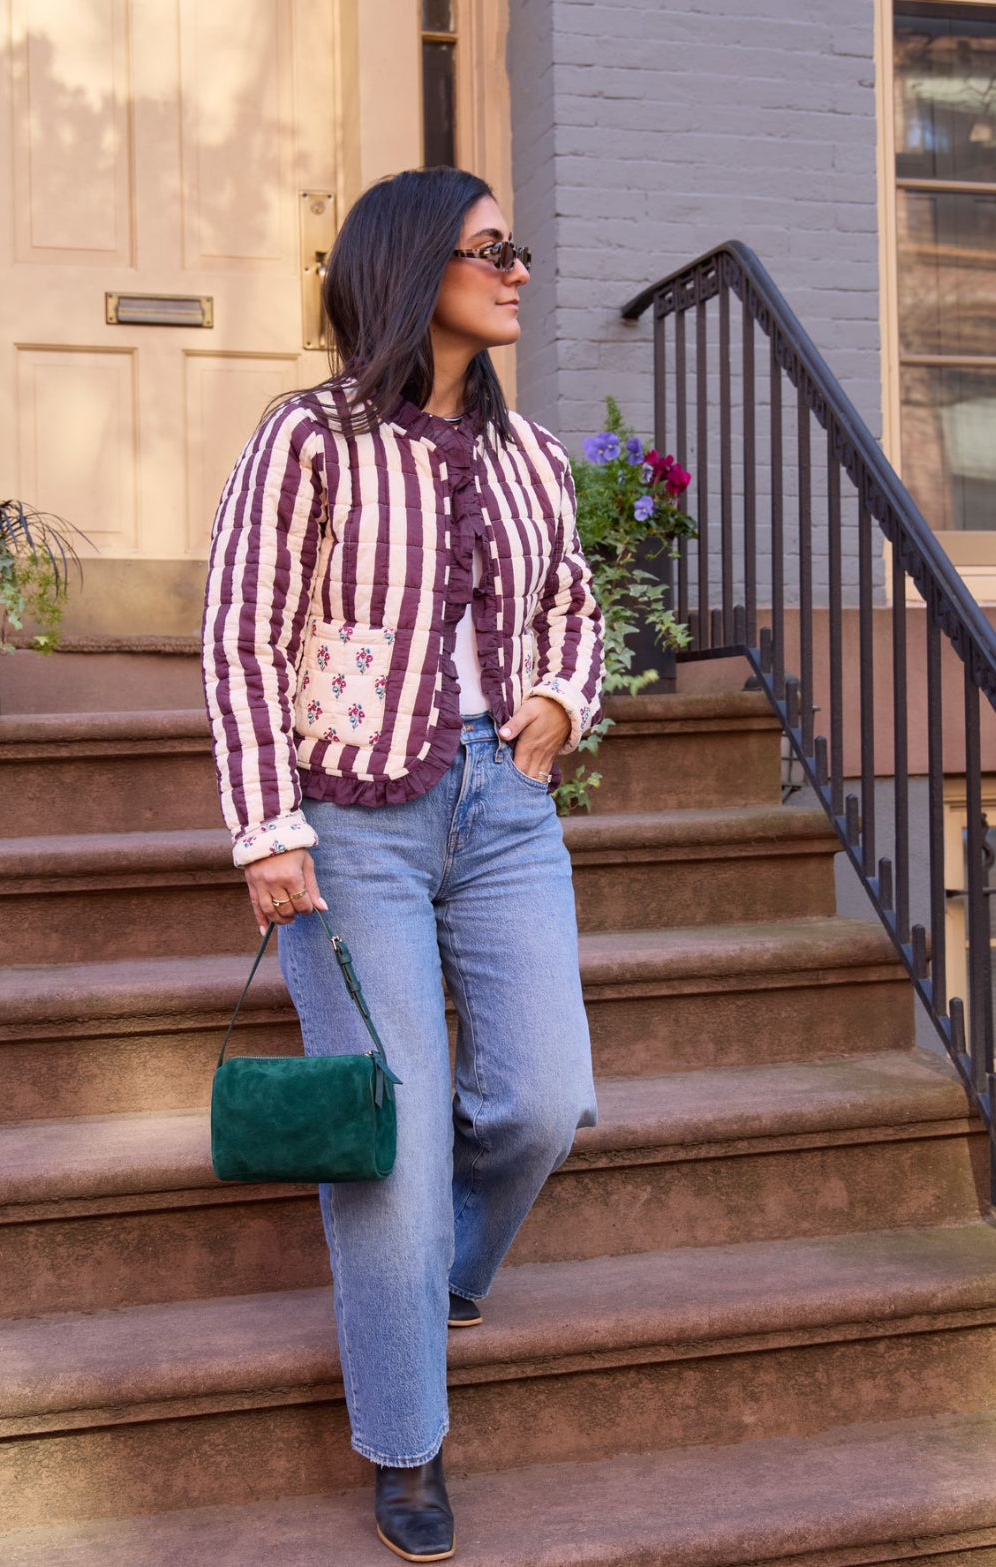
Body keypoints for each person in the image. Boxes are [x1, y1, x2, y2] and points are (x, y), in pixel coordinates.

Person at [201, 165, 604, 1563]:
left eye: (516, 248)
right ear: (413, 263)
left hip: (505, 811)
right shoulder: (307, 439)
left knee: (542, 1099)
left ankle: (438, 1274)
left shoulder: (532, 455)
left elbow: (572, 605)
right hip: (348, 823)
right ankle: (405, 1438)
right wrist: (268, 826)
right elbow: (243, 636)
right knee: (393, 1136)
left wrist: (558, 702)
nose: (517, 270)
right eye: (492, 249)